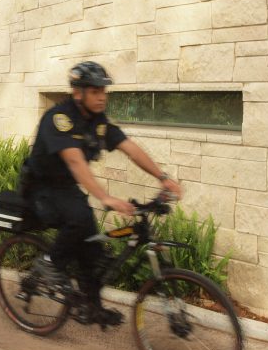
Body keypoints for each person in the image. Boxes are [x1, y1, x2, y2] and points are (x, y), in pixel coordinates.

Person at [25, 60, 183, 327]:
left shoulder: (97, 123)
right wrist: (105, 197)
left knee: (93, 252)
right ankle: (48, 263)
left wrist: (163, 178)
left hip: (66, 188)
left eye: (104, 92)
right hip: (41, 188)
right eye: (95, 91)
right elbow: (75, 162)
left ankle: (93, 307)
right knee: (77, 219)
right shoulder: (59, 119)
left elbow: (129, 148)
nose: (102, 97)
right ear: (78, 93)